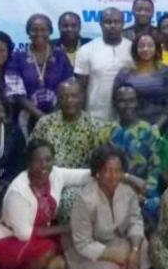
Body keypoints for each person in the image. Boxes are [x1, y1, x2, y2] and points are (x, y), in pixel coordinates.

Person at [0, 140, 93, 269]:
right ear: (28, 163)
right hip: (7, 239)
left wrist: (123, 176)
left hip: (38, 235)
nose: (44, 165)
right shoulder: (18, 191)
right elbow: (25, 234)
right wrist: (65, 228)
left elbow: (85, 175)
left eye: (48, 160)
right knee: (46, 249)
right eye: (37, 160)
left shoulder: (55, 174)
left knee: (59, 265)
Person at [64, 146, 150, 269]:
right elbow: (83, 244)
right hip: (89, 252)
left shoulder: (127, 191)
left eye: (118, 171)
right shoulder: (85, 199)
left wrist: (133, 250)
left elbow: (136, 221)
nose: (113, 177)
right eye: (107, 171)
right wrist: (117, 256)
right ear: (97, 172)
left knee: (145, 247)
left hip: (116, 241)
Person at [30, 79, 110, 221]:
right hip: (47, 178)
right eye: (64, 97)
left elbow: (100, 165)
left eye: (74, 96)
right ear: (58, 99)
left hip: (79, 181)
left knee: (69, 198)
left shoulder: (94, 127)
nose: (69, 101)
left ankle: (70, 238)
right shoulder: (45, 123)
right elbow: (31, 154)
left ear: (82, 97)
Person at [7, 13, 75, 133]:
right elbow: (17, 93)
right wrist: (41, 116)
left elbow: (70, 86)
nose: (39, 33)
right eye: (34, 30)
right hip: (26, 118)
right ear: (28, 32)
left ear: (50, 32)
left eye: (44, 30)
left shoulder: (60, 56)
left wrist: (53, 115)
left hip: (59, 115)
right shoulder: (18, 57)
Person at [108, 85, 163, 223]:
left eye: (131, 100)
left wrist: (144, 192)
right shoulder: (106, 132)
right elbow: (102, 169)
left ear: (137, 102)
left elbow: (155, 170)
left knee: (154, 206)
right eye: (122, 101)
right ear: (115, 104)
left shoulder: (150, 131)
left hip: (144, 189)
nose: (127, 105)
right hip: (114, 188)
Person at [74, 7, 133, 123]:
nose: (112, 25)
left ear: (123, 24)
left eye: (117, 22)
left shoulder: (133, 48)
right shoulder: (86, 50)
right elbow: (81, 87)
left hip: (127, 118)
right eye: (108, 22)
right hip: (94, 117)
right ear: (101, 24)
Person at [113, 31, 168, 126]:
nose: (145, 49)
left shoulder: (166, 72)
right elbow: (115, 99)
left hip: (160, 126)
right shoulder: (125, 72)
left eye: (150, 45)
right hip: (130, 127)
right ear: (135, 49)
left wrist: (156, 127)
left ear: (156, 48)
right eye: (141, 46)